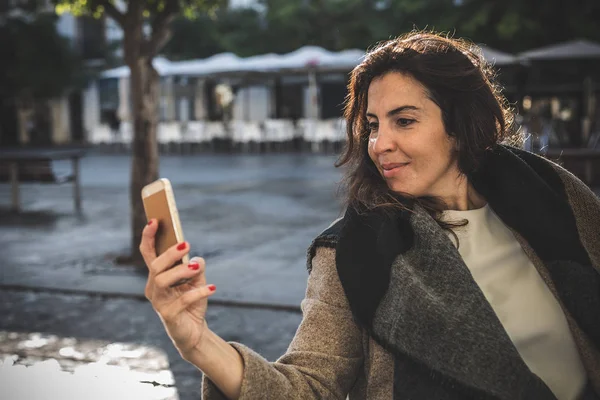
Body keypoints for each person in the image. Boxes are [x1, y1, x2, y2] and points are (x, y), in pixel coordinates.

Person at [139, 31, 600, 400]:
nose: (379, 144)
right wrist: (198, 342)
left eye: (404, 120)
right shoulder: (352, 252)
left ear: (460, 125)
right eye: (374, 125)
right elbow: (308, 387)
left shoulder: (552, 195)